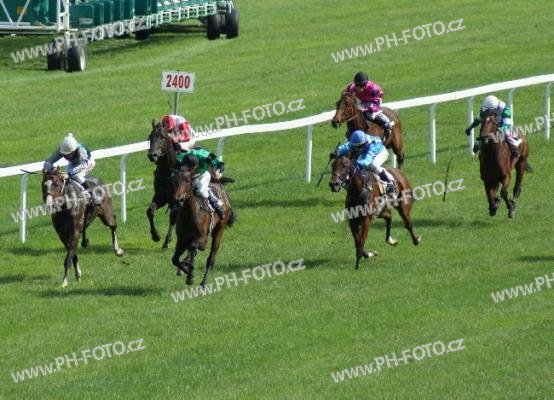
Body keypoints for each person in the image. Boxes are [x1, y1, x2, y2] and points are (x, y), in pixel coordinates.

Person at [43, 133, 102, 205]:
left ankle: (94, 195)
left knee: (77, 175)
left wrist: (69, 174)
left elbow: (83, 165)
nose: (66, 155)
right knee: (67, 177)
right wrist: (53, 169)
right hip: (73, 163)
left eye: (69, 154)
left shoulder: (81, 151)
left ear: (74, 150)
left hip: (87, 162)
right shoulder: (63, 149)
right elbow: (47, 163)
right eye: (65, 154)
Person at [334, 129, 396, 194]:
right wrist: (337, 151)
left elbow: (366, 162)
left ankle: (389, 182)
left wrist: (355, 162)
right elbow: (347, 146)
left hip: (380, 153)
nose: (357, 148)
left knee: (373, 165)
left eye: (359, 146)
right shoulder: (358, 140)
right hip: (366, 151)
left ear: (364, 142)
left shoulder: (372, 145)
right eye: (356, 147)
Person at [176, 147, 227, 219]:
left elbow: (220, 163)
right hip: (189, 176)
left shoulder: (205, 156)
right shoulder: (181, 157)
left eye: (191, 169)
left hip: (203, 174)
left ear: (196, 166)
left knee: (201, 190)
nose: (190, 171)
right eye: (187, 168)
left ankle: (216, 204)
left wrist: (218, 171)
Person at [465, 95, 519, 159]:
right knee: (483, 129)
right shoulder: (485, 108)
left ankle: (514, 148)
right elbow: (478, 120)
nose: (487, 112)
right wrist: (470, 128)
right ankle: (478, 144)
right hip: (493, 122)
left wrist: (501, 129)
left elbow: (508, 124)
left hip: (504, 122)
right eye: (486, 110)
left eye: (489, 111)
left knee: (505, 133)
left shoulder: (505, 109)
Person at [345, 72, 394, 139]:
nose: (359, 88)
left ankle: (387, 123)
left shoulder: (374, 89)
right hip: (360, 99)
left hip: (373, 100)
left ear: (365, 84)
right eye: (357, 86)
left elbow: (377, 106)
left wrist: (366, 109)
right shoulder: (351, 88)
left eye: (362, 86)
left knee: (370, 114)